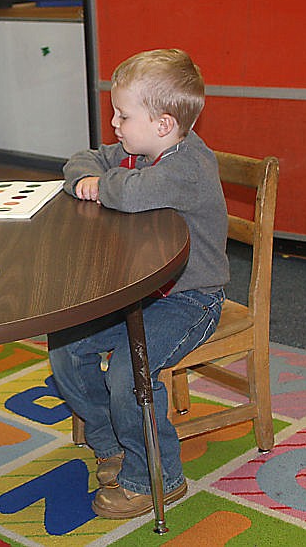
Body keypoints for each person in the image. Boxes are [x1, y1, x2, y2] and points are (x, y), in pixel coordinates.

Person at [49, 49, 229, 518]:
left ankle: (158, 476)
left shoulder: (187, 166)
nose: (114, 123)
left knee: (132, 370)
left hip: (192, 300)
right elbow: (80, 159)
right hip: (142, 293)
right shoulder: (137, 149)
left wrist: (97, 184)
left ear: (164, 124)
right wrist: (88, 176)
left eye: (123, 115)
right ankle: (112, 446)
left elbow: (129, 195)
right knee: (66, 346)